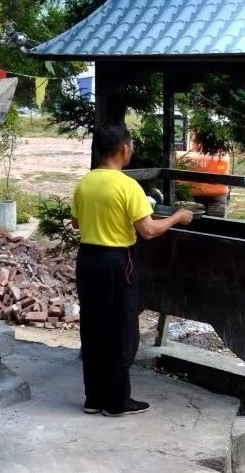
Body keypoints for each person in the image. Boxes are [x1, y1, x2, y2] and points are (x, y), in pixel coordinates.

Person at [72, 122, 193, 416]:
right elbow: (149, 230)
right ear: (125, 149)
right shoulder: (127, 185)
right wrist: (178, 216)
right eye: (131, 146)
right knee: (121, 328)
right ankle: (117, 401)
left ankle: (94, 397)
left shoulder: (86, 182)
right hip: (117, 261)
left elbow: (76, 223)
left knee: (94, 326)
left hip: (87, 260)